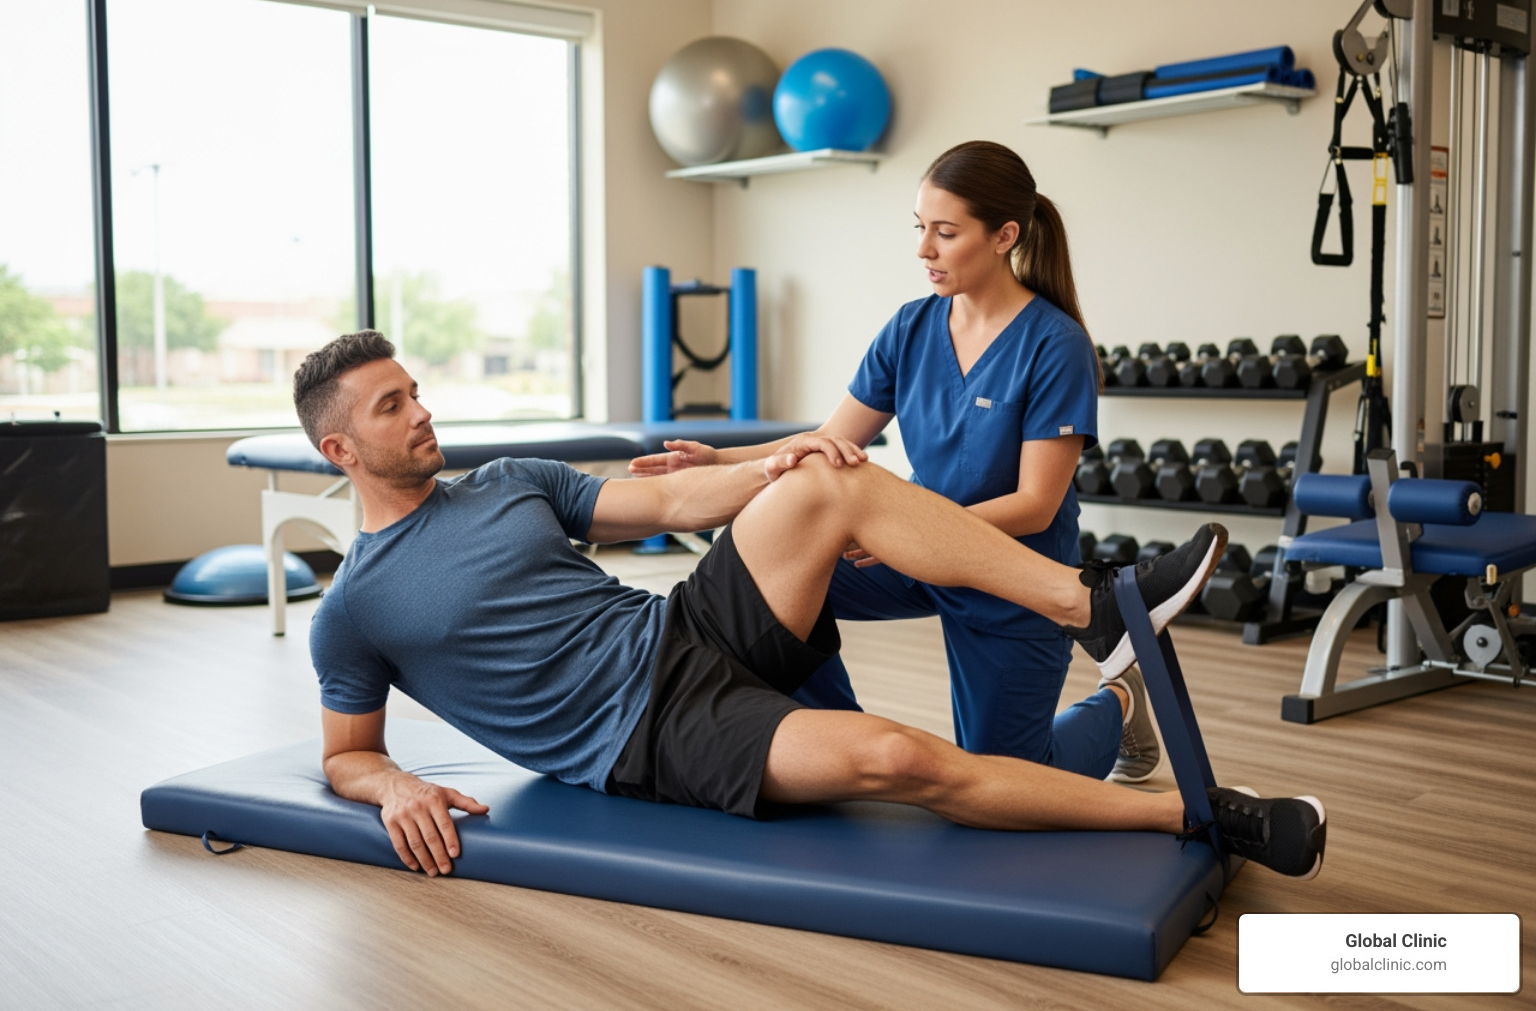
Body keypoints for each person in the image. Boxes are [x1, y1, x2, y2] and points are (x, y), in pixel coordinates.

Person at [296, 331, 1327, 882]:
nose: (423, 409)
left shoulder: (510, 478)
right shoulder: (354, 608)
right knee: (901, 758)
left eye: (416, 388)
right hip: (653, 735)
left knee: (833, 480)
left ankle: (1094, 608)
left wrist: (778, 461)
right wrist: (389, 785)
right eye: (394, 406)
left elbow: (663, 500)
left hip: (684, 627)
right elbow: (347, 751)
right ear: (340, 449)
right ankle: (1199, 816)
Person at [629, 141, 1142, 784]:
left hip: (1011, 571)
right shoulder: (910, 328)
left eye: (946, 232)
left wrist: (906, 533)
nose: (924, 249)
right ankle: (835, 740)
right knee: (770, 571)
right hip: (906, 554)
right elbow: (831, 438)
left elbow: (1035, 504)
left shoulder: (1054, 344)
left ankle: (1117, 706)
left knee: (1009, 780)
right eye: (920, 228)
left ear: (1005, 235)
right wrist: (717, 459)